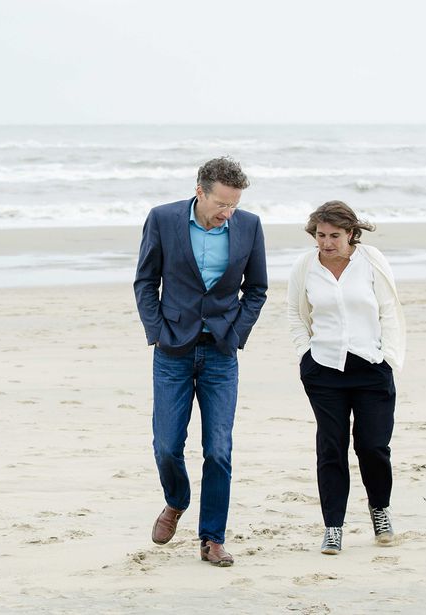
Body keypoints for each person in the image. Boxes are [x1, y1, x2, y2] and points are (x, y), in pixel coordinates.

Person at [134, 156, 268, 567]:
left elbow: (257, 288)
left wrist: (236, 333)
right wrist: (157, 331)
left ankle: (212, 538)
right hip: (172, 351)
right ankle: (176, 501)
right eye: (221, 205)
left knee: (219, 450)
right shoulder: (162, 219)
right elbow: (145, 280)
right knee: (167, 447)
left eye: (234, 204)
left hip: (221, 353)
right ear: (200, 192)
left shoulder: (249, 225)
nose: (228, 213)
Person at [286, 200, 406, 555]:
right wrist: (304, 354)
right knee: (331, 447)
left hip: (371, 367)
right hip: (324, 370)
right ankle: (333, 527)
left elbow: (390, 311)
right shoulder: (305, 266)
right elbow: (295, 312)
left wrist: (390, 359)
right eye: (321, 235)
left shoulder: (371, 261)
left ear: (351, 233)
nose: (326, 242)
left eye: (334, 235)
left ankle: (379, 510)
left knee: (372, 446)